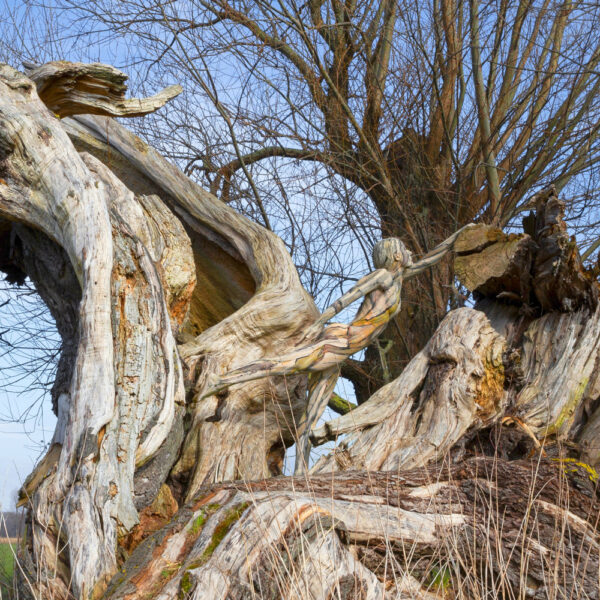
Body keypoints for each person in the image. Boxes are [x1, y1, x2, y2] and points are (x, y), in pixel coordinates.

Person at [201, 237, 413, 474]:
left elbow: (435, 255)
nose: (410, 252)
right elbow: (350, 296)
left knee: (312, 414)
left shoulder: (396, 283)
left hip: (342, 353)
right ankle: (223, 380)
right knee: (283, 365)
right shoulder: (382, 277)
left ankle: (300, 474)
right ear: (395, 256)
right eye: (405, 250)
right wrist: (320, 322)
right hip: (341, 340)